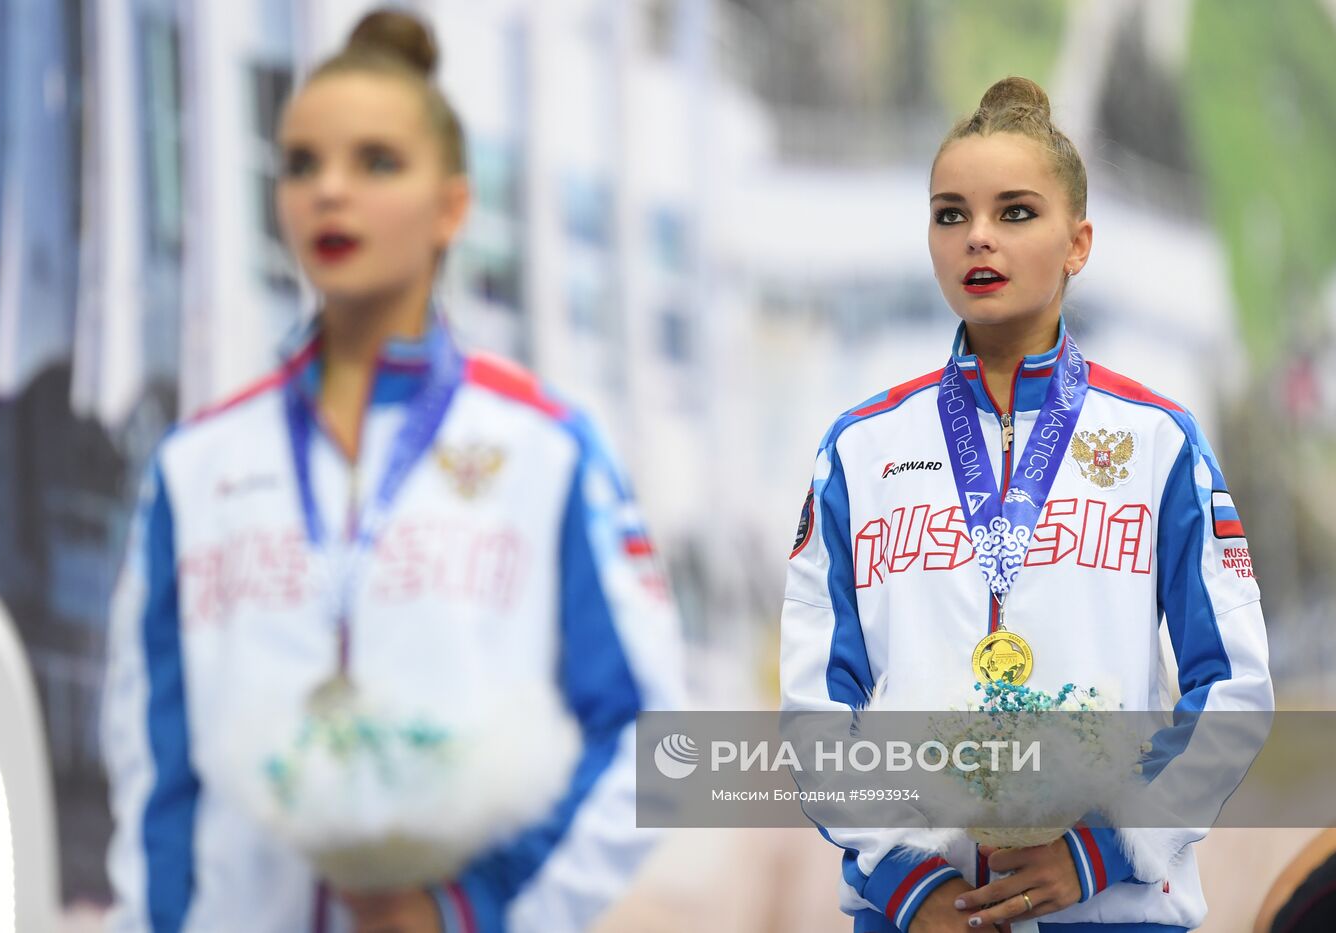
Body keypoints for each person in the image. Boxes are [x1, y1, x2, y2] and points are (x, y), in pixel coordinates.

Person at [101, 10, 682, 932]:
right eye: (302, 164)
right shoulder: (197, 466)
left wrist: (470, 906)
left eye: (376, 162)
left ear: (451, 206)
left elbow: (653, 739)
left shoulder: (546, 448)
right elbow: (154, 769)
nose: (330, 191)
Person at [780, 76, 1273, 932]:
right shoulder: (860, 450)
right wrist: (907, 883)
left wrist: (1101, 852)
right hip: (919, 916)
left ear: (1078, 243)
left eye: (1014, 212)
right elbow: (816, 707)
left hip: (1113, 911)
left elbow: (1231, 688)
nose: (978, 236)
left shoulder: (1157, 440)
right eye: (950, 214)